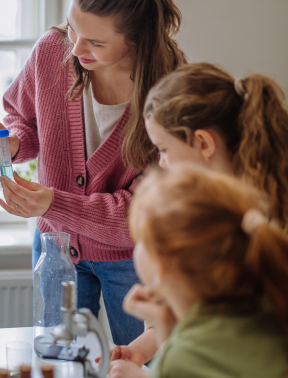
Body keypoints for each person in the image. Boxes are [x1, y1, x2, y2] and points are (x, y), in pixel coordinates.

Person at [0, 0, 185, 345]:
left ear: (136, 36)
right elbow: (23, 118)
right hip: (56, 247)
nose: (74, 48)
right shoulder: (51, 51)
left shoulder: (169, 88)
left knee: (145, 362)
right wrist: (13, 143)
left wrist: (54, 203)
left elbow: (143, 211)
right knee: (59, 359)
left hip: (132, 257)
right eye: (73, 28)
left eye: (95, 42)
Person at [107, 63, 288, 376]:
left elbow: (231, 347)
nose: (160, 163)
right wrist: (142, 349)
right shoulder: (202, 210)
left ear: (203, 143)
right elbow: (195, 318)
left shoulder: (253, 221)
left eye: (163, 149)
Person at [125, 165, 288, 377]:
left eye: (140, 240)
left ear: (160, 264)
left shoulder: (180, 362)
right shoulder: (270, 301)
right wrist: (168, 330)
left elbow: (186, 362)